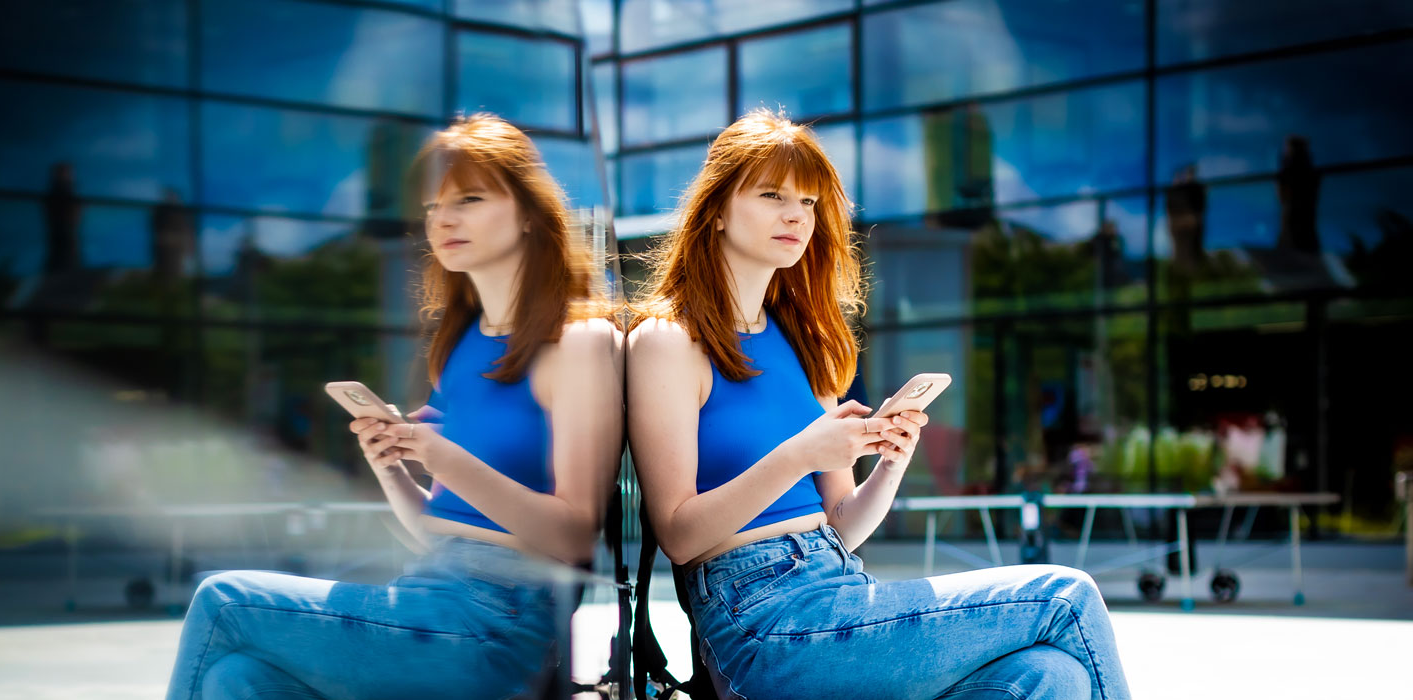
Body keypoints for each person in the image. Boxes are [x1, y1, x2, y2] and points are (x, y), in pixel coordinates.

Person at [624, 109, 1132, 700]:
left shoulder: (806, 341)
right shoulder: (669, 341)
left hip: (837, 587)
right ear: (715, 210)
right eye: (772, 194)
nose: (796, 215)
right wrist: (799, 454)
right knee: (1066, 597)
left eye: (810, 202)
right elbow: (679, 535)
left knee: (1049, 677)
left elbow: (842, 523)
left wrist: (890, 461)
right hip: (758, 619)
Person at [165, 114, 623, 700]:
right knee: (241, 678)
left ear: (531, 213)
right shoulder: (460, 346)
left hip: (502, 625)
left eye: (470, 199)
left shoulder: (578, 342)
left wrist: (444, 457)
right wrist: (391, 465)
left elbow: (573, 537)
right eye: (433, 207)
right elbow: (439, 534)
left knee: (223, 599)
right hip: (429, 601)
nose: (444, 220)